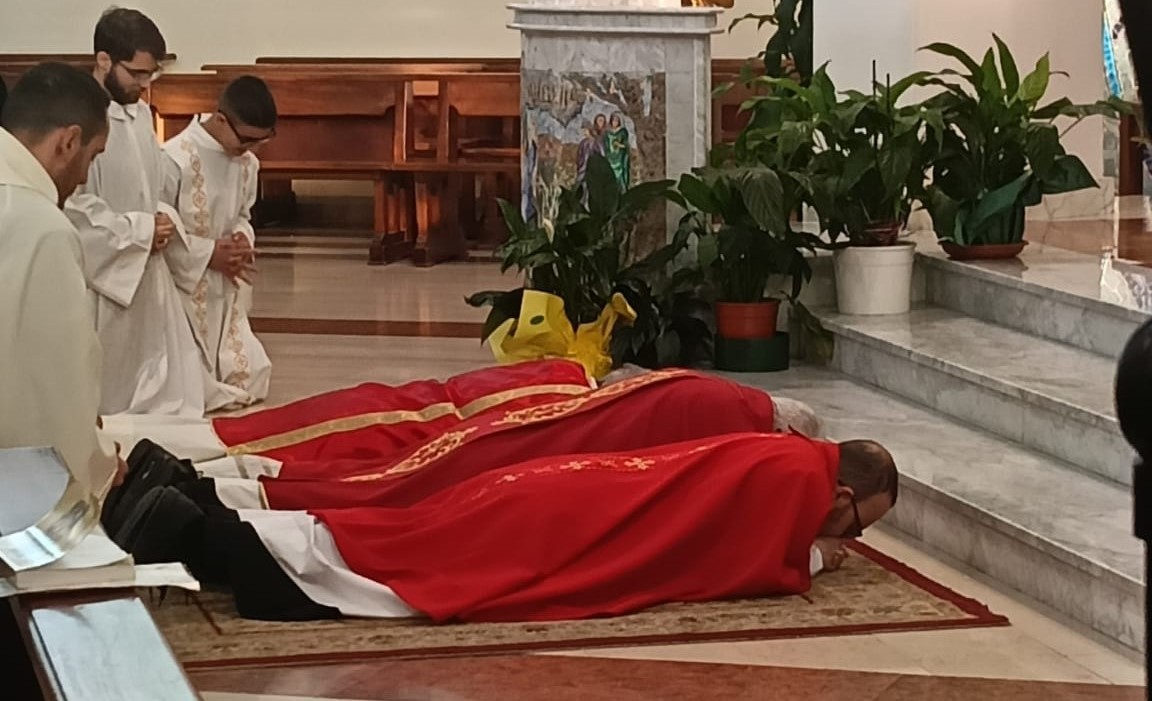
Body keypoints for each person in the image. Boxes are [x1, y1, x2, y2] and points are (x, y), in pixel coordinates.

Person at [117, 432, 898, 623]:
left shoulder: (789, 454)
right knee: (406, 573)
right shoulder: (799, 482)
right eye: (859, 526)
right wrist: (812, 562)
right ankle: (200, 529)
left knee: (404, 532)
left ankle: (192, 504)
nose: (851, 540)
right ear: (842, 495)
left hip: (566, 491)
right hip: (575, 527)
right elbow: (745, 563)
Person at [64, 7, 207, 417]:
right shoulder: (77, 121)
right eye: (137, 73)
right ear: (103, 60)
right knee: (108, 393)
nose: (145, 85)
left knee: (165, 392)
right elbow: (72, 206)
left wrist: (161, 220)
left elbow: (151, 185)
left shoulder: (141, 114)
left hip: (145, 264)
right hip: (104, 277)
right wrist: (141, 230)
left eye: (151, 75)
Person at [0, 63, 123, 497]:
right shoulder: (41, 227)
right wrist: (100, 462)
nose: (85, 176)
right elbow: (55, 384)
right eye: (92, 156)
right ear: (68, 142)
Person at [163, 76, 275, 411]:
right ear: (222, 120)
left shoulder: (247, 162)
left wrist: (242, 239)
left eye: (261, 141)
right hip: (183, 283)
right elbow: (161, 226)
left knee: (251, 377)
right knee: (191, 384)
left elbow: (242, 213)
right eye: (246, 140)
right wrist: (209, 254)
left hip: (225, 282)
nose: (251, 150)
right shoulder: (174, 158)